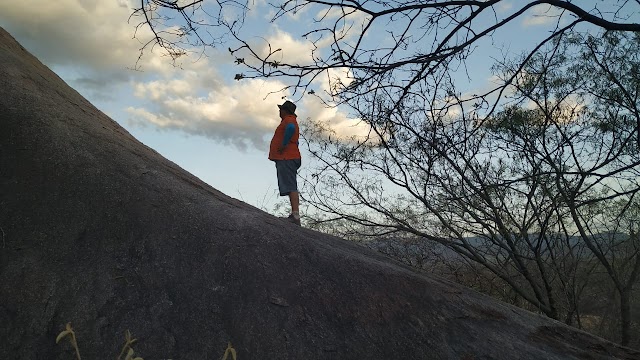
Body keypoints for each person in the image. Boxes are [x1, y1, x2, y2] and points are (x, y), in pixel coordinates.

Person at [269, 100, 302, 226]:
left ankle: (295, 215)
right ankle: (295, 214)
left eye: (281, 109)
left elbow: (290, 129)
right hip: (288, 157)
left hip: (287, 157)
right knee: (290, 184)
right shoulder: (289, 120)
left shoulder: (289, 119)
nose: (279, 111)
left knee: (291, 185)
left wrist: (283, 145)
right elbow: (296, 140)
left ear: (285, 111)